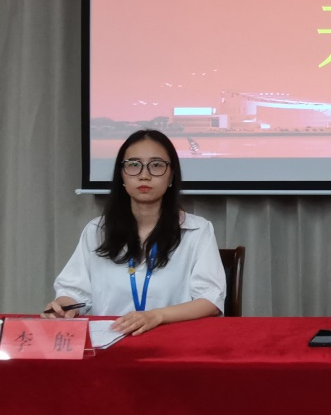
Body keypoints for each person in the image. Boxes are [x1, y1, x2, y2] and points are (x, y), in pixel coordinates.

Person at [44, 129, 225, 335]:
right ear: (121, 174)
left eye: (156, 165)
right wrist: (63, 306)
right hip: (109, 341)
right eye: (134, 165)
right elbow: (74, 291)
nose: (144, 175)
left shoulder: (198, 231)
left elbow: (211, 299)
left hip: (173, 341)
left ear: (171, 175)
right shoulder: (97, 231)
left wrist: (156, 316)